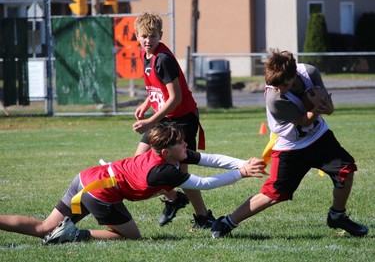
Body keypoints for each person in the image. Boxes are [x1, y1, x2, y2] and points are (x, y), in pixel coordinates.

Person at [0, 124, 267, 245]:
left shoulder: (169, 155)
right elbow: (204, 183)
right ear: (165, 151)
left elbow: (209, 159)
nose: (187, 145)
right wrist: (241, 173)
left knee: (43, 227)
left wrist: (244, 163)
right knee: (131, 237)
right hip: (101, 191)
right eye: (181, 143)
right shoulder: (163, 171)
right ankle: (73, 235)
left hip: (87, 177)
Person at [211, 49, 368, 238]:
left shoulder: (309, 72)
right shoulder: (274, 98)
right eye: (274, 84)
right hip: (290, 146)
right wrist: (317, 108)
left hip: (318, 135)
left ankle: (337, 215)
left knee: (346, 171)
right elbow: (303, 121)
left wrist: (325, 105)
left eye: (284, 84)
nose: (278, 89)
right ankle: (227, 222)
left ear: (293, 75)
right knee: (274, 194)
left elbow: (329, 109)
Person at [132, 12, 210, 229]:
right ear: (137, 36)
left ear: (161, 35)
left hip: (182, 120)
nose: (148, 41)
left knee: (181, 174)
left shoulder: (163, 59)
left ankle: (203, 217)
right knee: (140, 163)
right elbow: (158, 88)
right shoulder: (144, 54)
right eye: (144, 36)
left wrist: (150, 121)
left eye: (153, 36)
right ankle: (174, 199)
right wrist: (146, 104)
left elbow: (175, 97)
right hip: (164, 117)